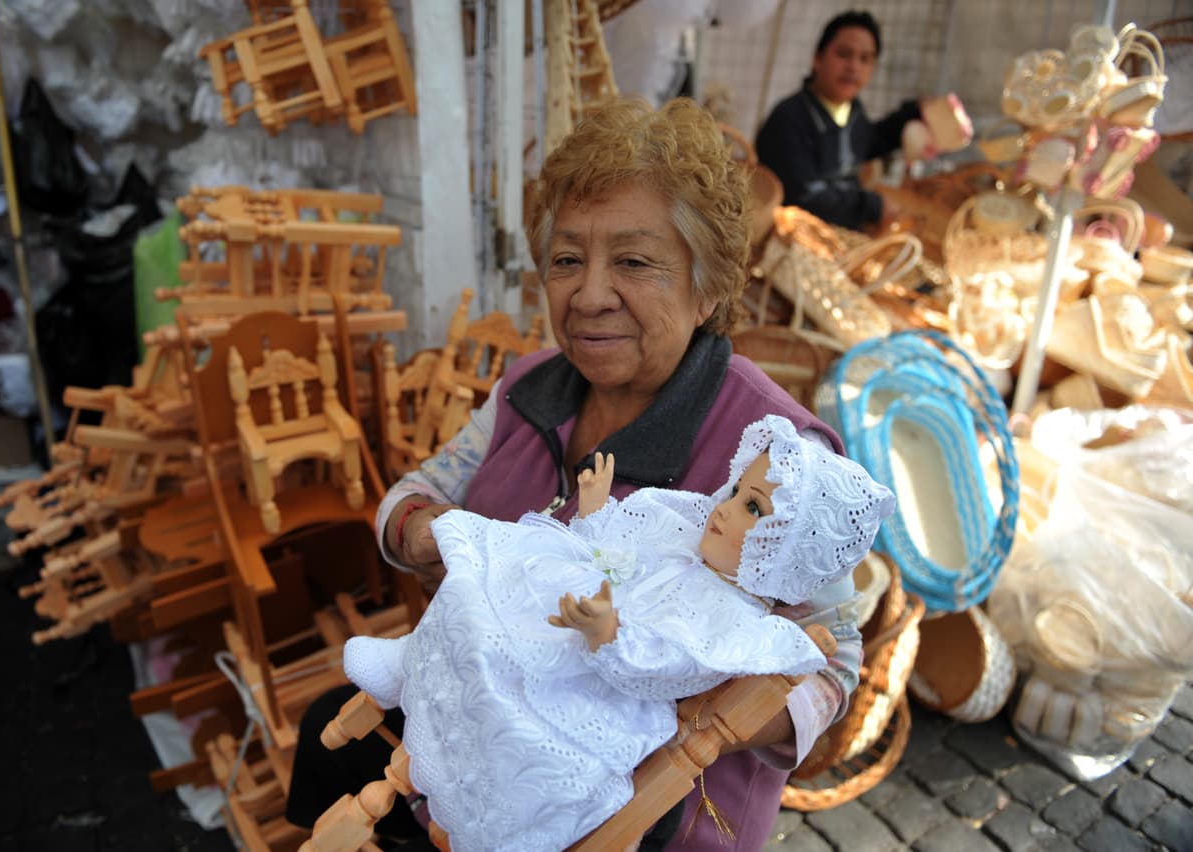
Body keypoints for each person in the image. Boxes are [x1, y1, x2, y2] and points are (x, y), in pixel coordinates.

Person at [287, 95, 865, 852]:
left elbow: (836, 666)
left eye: (633, 261)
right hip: (472, 749)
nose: (589, 295)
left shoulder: (776, 456)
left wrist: (697, 715)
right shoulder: (528, 388)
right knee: (324, 736)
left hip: (640, 815)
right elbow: (414, 496)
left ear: (711, 285)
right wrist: (435, 539)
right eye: (566, 259)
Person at [337, 416, 895, 852]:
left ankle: (441, 719)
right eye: (735, 491)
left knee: (513, 676)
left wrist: (612, 635)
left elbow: (672, 667)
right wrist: (598, 512)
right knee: (490, 570)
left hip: (600, 688)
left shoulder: (734, 622)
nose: (723, 508)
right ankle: (407, 660)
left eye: (753, 508)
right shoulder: (684, 525)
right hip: (574, 616)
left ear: (784, 552)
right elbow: (615, 552)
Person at [754, 10, 921, 231]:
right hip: (798, 244)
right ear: (818, 58)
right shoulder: (789, 120)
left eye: (865, 59)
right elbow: (805, 198)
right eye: (843, 54)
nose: (854, 67)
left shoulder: (853, 113)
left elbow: (873, 140)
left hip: (847, 239)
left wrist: (917, 112)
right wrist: (872, 206)